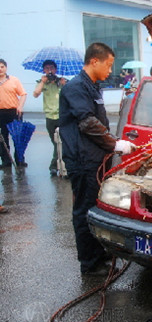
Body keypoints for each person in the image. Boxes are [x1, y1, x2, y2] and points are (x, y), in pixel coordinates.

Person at [59, 42, 135, 275]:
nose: (110, 70)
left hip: (96, 158)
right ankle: (90, 264)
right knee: (85, 210)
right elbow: (88, 123)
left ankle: (100, 254)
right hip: (83, 160)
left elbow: (98, 122)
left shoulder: (92, 87)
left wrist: (111, 144)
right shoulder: (75, 88)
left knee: (98, 207)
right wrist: (115, 144)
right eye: (109, 65)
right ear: (95, 61)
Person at [33, 60, 67, 176]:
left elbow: (71, 94)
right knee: (55, 143)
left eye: (52, 68)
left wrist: (64, 85)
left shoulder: (62, 81)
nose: (50, 70)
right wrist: (43, 82)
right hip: (50, 117)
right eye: (47, 68)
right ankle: (59, 166)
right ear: (44, 70)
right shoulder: (42, 82)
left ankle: (55, 167)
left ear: (56, 69)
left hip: (62, 116)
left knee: (62, 142)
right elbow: (36, 93)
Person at [0, 59, 28, 168]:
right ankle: (6, 161)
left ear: (6, 68)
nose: (0, 69)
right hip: (1, 113)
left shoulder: (14, 80)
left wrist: (20, 106)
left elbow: (23, 94)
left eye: (2, 67)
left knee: (18, 138)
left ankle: (20, 160)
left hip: (14, 112)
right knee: (2, 138)